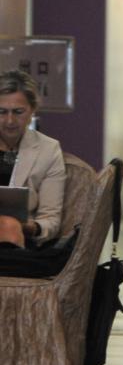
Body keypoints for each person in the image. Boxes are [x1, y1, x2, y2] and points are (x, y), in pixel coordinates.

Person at [0, 71, 66, 253]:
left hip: (21, 238)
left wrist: (32, 227)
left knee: (8, 225)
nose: (10, 121)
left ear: (32, 110)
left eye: (18, 112)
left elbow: (51, 220)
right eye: (2, 112)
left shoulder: (48, 149)